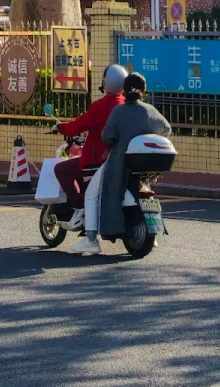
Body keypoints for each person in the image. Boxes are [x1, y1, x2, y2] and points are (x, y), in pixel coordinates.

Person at [71, 70, 171, 256]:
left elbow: (107, 136)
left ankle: (91, 239)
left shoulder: (119, 111)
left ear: (124, 90)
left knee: (92, 193)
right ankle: (151, 233)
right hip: (142, 166)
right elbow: (166, 128)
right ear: (143, 90)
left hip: (118, 163)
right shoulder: (150, 111)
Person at [54, 65, 126, 229]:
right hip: (119, 159)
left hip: (97, 160)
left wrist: (60, 127)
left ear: (106, 82)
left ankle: (80, 209)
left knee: (61, 169)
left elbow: (77, 126)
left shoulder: (100, 106)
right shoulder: (126, 104)